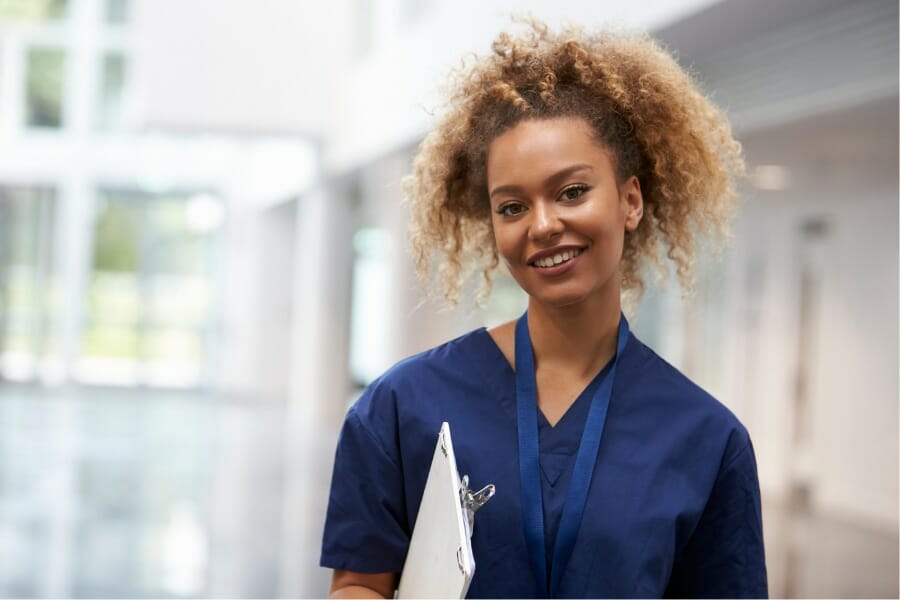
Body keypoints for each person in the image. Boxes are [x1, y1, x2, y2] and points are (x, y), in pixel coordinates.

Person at [321, 20, 767, 599]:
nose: (543, 224)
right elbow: (359, 584)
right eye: (511, 206)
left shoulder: (707, 441)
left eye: (572, 191)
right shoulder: (403, 406)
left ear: (630, 200)